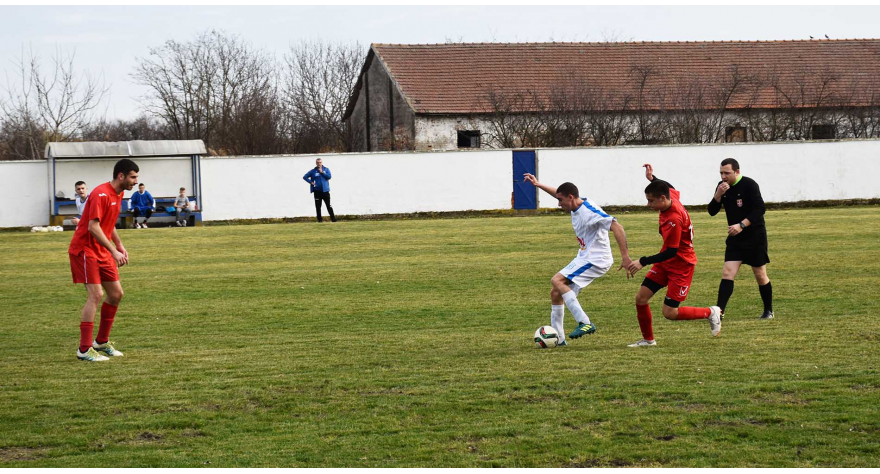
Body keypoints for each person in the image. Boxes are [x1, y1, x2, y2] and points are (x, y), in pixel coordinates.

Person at [523, 173, 633, 346]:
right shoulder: (575, 205)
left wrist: (625, 257)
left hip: (596, 259)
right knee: (556, 292)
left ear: (571, 197)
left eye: (560, 200)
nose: (559, 204)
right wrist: (538, 184)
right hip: (584, 256)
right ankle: (559, 340)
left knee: (556, 280)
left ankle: (585, 322)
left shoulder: (589, 211)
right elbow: (558, 193)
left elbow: (616, 226)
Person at [625, 164, 722, 347]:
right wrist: (653, 179)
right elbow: (669, 185)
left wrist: (642, 262)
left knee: (670, 312)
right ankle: (648, 340)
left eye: (651, 201)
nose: (648, 205)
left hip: (681, 265)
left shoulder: (673, 219)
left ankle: (710, 313)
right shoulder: (671, 197)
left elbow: (671, 251)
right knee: (641, 298)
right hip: (665, 263)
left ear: (662, 198)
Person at [68, 158, 139, 362]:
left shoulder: (119, 194)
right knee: (96, 295)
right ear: (121, 176)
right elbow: (93, 227)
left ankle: (101, 342)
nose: (135, 181)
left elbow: (109, 224)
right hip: (85, 250)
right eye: (133, 177)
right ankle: (84, 349)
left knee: (116, 294)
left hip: (102, 251)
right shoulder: (101, 193)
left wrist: (119, 245)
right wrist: (113, 251)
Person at [708, 158, 773, 319]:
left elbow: (760, 209)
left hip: (754, 236)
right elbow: (711, 211)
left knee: (760, 274)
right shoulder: (721, 187)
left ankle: (768, 311)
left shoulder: (749, 184)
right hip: (735, 239)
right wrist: (717, 195)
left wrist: (741, 225)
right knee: (727, 272)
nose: (723, 176)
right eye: (721, 173)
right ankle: (719, 313)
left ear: (736, 172)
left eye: (727, 173)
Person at [303, 158, 336, 222]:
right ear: (316, 163)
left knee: (328, 205)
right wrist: (310, 182)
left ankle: (333, 219)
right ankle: (320, 220)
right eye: (318, 162)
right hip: (317, 191)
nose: (319, 164)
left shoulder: (326, 169)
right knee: (318, 206)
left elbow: (329, 177)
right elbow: (305, 177)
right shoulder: (313, 171)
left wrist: (322, 172)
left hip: (325, 191)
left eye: (320, 162)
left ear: (322, 163)